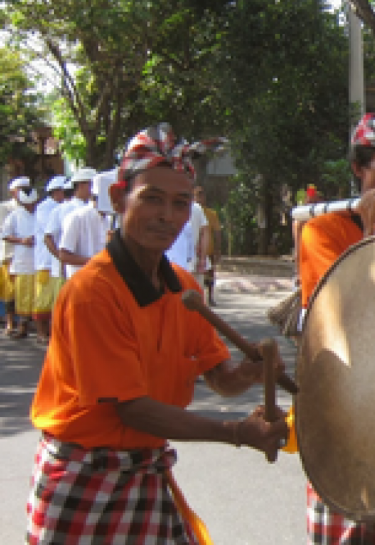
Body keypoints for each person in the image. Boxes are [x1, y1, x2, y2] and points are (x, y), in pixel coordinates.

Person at [26, 123, 288, 544]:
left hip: (143, 470)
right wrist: (237, 433)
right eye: (152, 199)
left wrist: (253, 372)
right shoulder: (92, 292)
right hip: (84, 478)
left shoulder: (183, 287)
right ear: (118, 198)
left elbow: (219, 378)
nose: (167, 216)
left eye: (181, 203)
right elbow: (132, 410)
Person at [292, 113, 375, 544]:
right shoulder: (322, 231)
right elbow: (349, 319)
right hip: (345, 410)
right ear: (359, 167)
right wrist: (374, 232)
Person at [44, 168, 97, 286]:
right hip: (70, 271)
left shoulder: (96, 209)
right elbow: (48, 238)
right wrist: (61, 258)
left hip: (93, 272)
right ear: (82, 185)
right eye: (91, 184)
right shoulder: (62, 209)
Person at [32, 176, 68, 343]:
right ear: (55, 192)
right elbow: (50, 232)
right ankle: (41, 332)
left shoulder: (63, 207)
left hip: (59, 259)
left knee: (56, 297)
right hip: (45, 259)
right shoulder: (45, 208)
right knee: (43, 298)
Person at [1, 182, 39, 339]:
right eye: (28, 204)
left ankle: (38, 329)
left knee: (37, 295)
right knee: (21, 295)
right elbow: (5, 234)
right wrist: (22, 240)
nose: (31, 206)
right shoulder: (14, 215)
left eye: (33, 204)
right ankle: (21, 326)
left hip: (38, 260)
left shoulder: (40, 213)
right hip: (21, 259)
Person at [58, 170, 112, 278]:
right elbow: (64, 255)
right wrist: (95, 262)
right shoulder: (76, 217)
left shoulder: (110, 219)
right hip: (81, 282)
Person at [1, 178, 27, 335]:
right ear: (13, 192)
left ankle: (23, 324)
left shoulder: (32, 208)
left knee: (24, 291)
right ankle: (10, 323)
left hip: (27, 257)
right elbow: (3, 232)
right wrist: (22, 240)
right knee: (10, 292)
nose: (23, 190)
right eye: (20, 188)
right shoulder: (4, 208)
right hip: (10, 254)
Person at [194, 186, 222, 306]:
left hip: (208, 250)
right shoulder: (189, 211)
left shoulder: (211, 214)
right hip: (194, 251)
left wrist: (218, 249)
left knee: (210, 274)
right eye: (197, 195)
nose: (200, 198)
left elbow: (217, 232)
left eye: (201, 195)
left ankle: (210, 297)